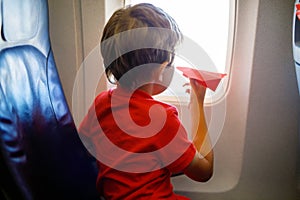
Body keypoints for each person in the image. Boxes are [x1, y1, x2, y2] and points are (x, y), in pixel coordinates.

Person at [79, 3, 213, 199]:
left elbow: (87, 148)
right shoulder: (162, 119)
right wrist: (197, 105)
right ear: (161, 70)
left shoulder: (101, 104)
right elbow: (204, 172)